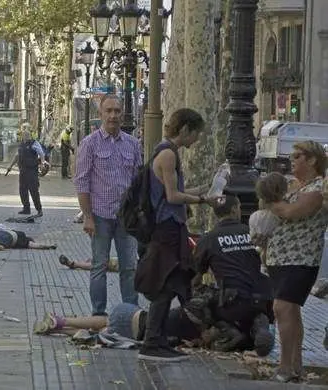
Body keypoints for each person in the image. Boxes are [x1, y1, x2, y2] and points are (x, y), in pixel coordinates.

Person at [135, 108, 218, 362]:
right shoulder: (169, 154)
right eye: (196, 134)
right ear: (185, 129)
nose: (197, 140)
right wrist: (203, 199)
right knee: (165, 285)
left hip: (170, 227)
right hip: (167, 228)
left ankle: (157, 338)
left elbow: (173, 190)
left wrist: (204, 189)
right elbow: (172, 197)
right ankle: (151, 342)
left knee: (171, 284)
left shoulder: (165, 151)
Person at [264, 141, 328, 382]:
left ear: (312, 160)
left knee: (282, 308)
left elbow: (292, 213)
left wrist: (270, 201)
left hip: (300, 258)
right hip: (281, 258)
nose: (292, 160)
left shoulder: (318, 188)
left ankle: (285, 366)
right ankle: (296, 366)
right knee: (290, 310)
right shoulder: (296, 186)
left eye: (298, 156)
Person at [73, 95, 142, 312]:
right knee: (99, 266)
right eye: (109, 111)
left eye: (117, 111)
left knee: (129, 267)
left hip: (126, 218)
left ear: (122, 114)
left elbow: (138, 181)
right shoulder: (89, 144)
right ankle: (99, 313)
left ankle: (130, 313)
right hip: (100, 216)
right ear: (101, 114)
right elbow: (81, 181)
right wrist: (88, 217)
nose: (113, 115)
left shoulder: (133, 144)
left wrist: (139, 212)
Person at [192, 195, 275, 357]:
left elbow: (195, 276)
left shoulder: (209, 239)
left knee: (199, 296)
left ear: (216, 214)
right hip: (263, 298)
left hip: (231, 302)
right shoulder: (252, 233)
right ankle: (260, 325)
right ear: (234, 210)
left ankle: (226, 330)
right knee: (255, 306)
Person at [33, 303, 201, 348]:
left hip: (132, 314)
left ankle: (61, 322)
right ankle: (61, 328)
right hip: (132, 331)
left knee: (103, 324)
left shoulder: (184, 314)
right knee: (98, 333)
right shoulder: (193, 330)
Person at [6, 130, 47, 217]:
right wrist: (10, 166)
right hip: (23, 170)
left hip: (32, 171)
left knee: (34, 191)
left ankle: (39, 210)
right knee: (22, 190)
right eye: (24, 135)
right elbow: (17, 156)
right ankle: (26, 208)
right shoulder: (21, 144)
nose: (25, 136)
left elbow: (41, 153)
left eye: (26, 135)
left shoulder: (34, 143)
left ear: (29, 136)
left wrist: (43, 163)